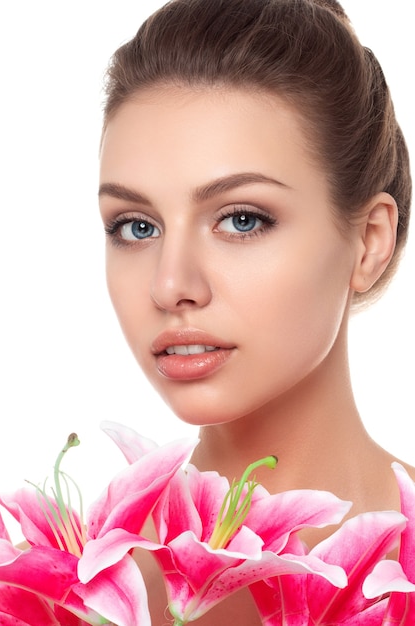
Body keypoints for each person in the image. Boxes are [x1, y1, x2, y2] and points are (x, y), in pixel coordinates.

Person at [97, 0, 413, 622]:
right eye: (135, 226)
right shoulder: (52, 587)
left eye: (241, 219)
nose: (170, 285)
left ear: (369, 241)